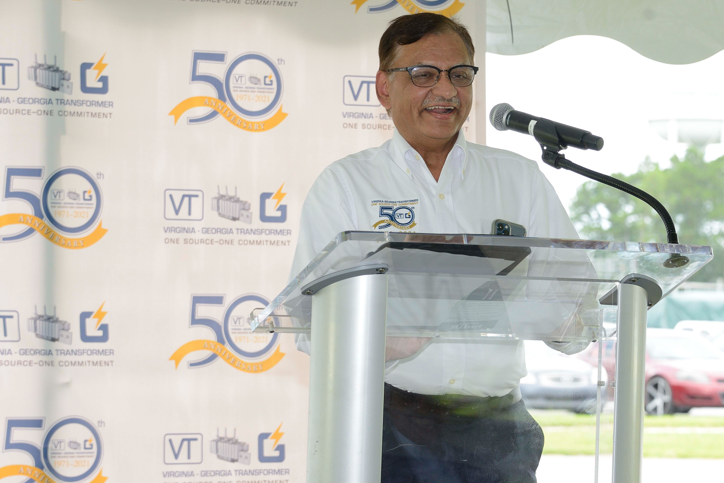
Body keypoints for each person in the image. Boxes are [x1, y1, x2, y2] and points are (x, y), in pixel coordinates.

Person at [290, 13, 585, 483]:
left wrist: (559, 317)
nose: (446, 91)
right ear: (384, 88)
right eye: (424, 75)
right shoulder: (345, 184)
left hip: (501, 433)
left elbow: (580, 299)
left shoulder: (519, 178)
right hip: (393, 429)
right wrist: (395, 336)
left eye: (460, 75)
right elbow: (310, 324)